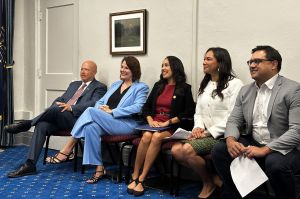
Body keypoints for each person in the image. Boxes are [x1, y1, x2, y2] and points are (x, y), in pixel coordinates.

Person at [211, 45, 300, 199]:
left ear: (274, 64)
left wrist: (265, 149)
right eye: (250, 62)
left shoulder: (293, 90)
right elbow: (234, 120)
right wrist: (231, 140)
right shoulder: (246, 90)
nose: (252, 65)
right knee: (220, 150)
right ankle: (240, 194)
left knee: (275, 164)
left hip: (283, 145)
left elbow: (296, 131)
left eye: (257, 61)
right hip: (255, 140)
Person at [46, 56, 149, 184]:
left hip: (127, 123)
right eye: (122, 67)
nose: (122, 70)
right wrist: (101, 108)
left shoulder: (141, 87)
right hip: (109, 120)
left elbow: (138, 107)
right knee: (90, 127)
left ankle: (67, 148)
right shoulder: (116, 85)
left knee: (89, 111)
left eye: (126, 68)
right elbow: (100, 101)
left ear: (134, 70)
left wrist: (113, 111)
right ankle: (99, 169)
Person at [6, 60, 107, 178]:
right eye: (81, 69)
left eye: (86, 69)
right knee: (42, 124)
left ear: (94, 72)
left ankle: (28, 123)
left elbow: (93, 104)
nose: (83, 72)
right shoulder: (74, 84)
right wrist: (57, 105)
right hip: (61, 116)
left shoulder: (99, 87)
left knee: (55, 109)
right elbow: (61, 98)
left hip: (77, 120)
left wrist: (71, 107)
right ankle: (30, 164)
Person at [171, 47, 243, 199]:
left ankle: (208, 183)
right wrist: (198, 127)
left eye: (208, 59)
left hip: (222, 135)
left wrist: (206, 132)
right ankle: (213, 180)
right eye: (204, 59)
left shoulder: (235, 84)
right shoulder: (205, 84)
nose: (204, 62)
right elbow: (198, 113)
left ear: (220, 62)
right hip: (204, 133)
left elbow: (233, 117)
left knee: (188, 151)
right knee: (176, 150)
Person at [127, 56, 195, 197]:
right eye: (162, 65)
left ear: (175, 67)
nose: (163, 68)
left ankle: (142, 179)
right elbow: (146, 107)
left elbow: (189, 112)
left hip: (171, 126)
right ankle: (135, 174)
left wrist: (168, 122)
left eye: (166, 65)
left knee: (156, 136)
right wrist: (150, 120)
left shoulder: (184, 88)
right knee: (146, 135)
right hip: (154, 124)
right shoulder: (158, 86)